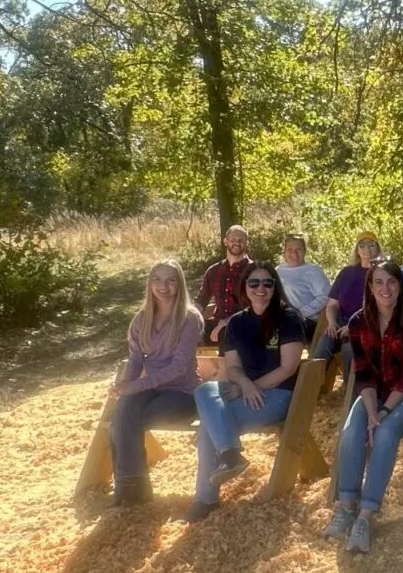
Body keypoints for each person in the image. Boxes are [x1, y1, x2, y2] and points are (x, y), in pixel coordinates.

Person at [324, 259, 403, 555]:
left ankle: (365, 515)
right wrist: (372, 411)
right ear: (370, 288)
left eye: (392, 282)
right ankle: (347, 506)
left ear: (400, 286)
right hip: (375, 394)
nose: (386, 289)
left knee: (385, 433)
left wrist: (382, 414)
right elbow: (363, 373)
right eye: (379, 282)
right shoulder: (358, 322)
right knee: (351, 430)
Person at [187, 262, 306, 523]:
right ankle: (230, 455)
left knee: (209, 424)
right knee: (205, 389)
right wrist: (245, 385)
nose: (260, 288)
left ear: (275, 287)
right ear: (245, 287)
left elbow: (288, 368)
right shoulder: (236, 322)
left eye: (267, 283)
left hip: (277, 394)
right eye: (254, 283)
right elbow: (232, 367)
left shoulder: (289, 318)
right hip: (245, 390)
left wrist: (253, 387)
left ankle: (206, 498)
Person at [105, 260, 203, 507]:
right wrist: (124, 385)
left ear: (180, 284)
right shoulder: (141, 319)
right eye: (157, 279)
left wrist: (135, 387)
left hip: (183, 393)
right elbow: (136, 360)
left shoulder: (189, 318)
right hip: (152, 388)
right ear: (149, 284)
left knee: (125, 421)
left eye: (171, 280)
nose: (163, 286)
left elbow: (178, 367)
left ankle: (130, 490)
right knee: (124, 409)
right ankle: (132, 489)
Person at [315, 232, 382, 361]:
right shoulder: (346, 272)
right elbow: (332, 304)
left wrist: (353, 326)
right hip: (341, 321)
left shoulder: (382, 273)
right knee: (323, 347)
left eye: (371, 245)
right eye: (362, 245)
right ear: (357, 249)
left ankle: (350, 376)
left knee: (349, 350)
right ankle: (314, 375)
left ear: (378, 248)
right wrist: (332, 322)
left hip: (368, 323)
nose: (367, 249)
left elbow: (381, 308)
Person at [198, 223, 255, 343]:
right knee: (185, 334)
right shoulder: (213, 271)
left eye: (241, 240)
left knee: (227, 333)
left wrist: (226, 322)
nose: (237, 243)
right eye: (233, 239)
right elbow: (201, 300)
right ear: (226, 241)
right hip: (217, 323)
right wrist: (187, 316)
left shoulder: (255, 271)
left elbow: (258, 306)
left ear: (246, 243)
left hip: (245, 324)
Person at [276, 233, 332, 325]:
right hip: (283, 318)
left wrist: (300, 313)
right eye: (290, 249)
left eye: (298, 249)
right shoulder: (278, 270)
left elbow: (326, 296)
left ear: (304, 251)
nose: (294, 253)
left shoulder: (313, 270)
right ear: (284, 252)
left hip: (308, 320)